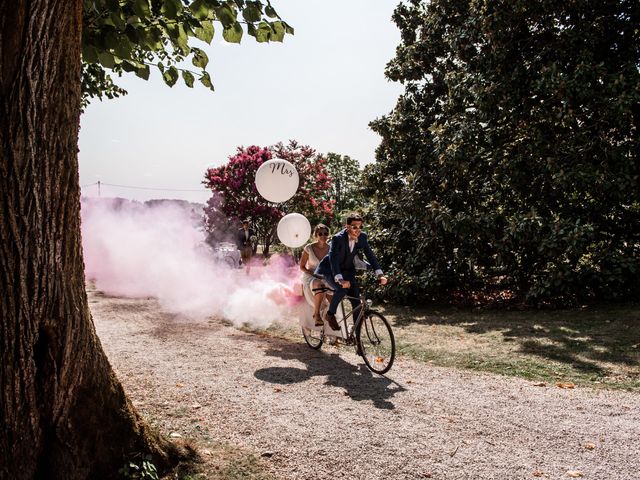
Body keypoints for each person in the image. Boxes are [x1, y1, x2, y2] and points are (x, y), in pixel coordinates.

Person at [315, 213, 388, 331]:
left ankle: (358, 342)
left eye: (360, 227)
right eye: (354, 227)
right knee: (342, 289)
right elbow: (333, 260)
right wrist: (340, 279)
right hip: (330, 270)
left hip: (348, 270)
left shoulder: (362, 237)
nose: (357, 230)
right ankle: (330, 314)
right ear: (347, 226)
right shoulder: (337, 238)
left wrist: (380, 274)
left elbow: (370, 255)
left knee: (357, 305)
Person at [299, 224, 331, 326]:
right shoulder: (309, 248)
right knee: (319, 284)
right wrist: (314, 274)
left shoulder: (331, 248)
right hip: (311, 276)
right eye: (320, 234)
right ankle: (316, 314)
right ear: (316, 235)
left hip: (325, 276)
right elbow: (302, 267)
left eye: (325, 233)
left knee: (334, 294)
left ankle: (331, 320)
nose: (323, 236)